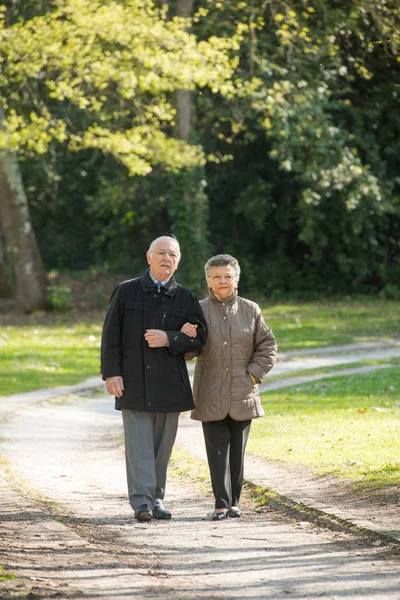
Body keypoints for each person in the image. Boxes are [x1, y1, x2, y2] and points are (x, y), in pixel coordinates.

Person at [101, 236, 207, 522]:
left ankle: (157, 498)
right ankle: (141, 503)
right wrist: (111, 373)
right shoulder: (126, 292)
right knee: (139, 446)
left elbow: (201, 338)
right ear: (149, 257)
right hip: (132, 382)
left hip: (169, 384)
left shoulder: (185, 297)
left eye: (172, 254)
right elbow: (110, 335)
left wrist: (171, 338)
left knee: (162, 448)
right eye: (160, 253)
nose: (166, 259)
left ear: (178, 260)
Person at [182, 254, 277, 520]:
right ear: (208, 281)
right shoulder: (196, 310)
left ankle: (235, 501)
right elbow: (188, 352)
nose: (222, 281)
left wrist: (253, 375)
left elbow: (267, 346)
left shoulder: (251, 310)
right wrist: (185, 337)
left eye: (227, 276)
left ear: (236, 279)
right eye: (216, 277)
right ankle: (221, 503)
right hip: (209, 390)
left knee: (238, 451)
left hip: (242, 391)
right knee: (216, 450)